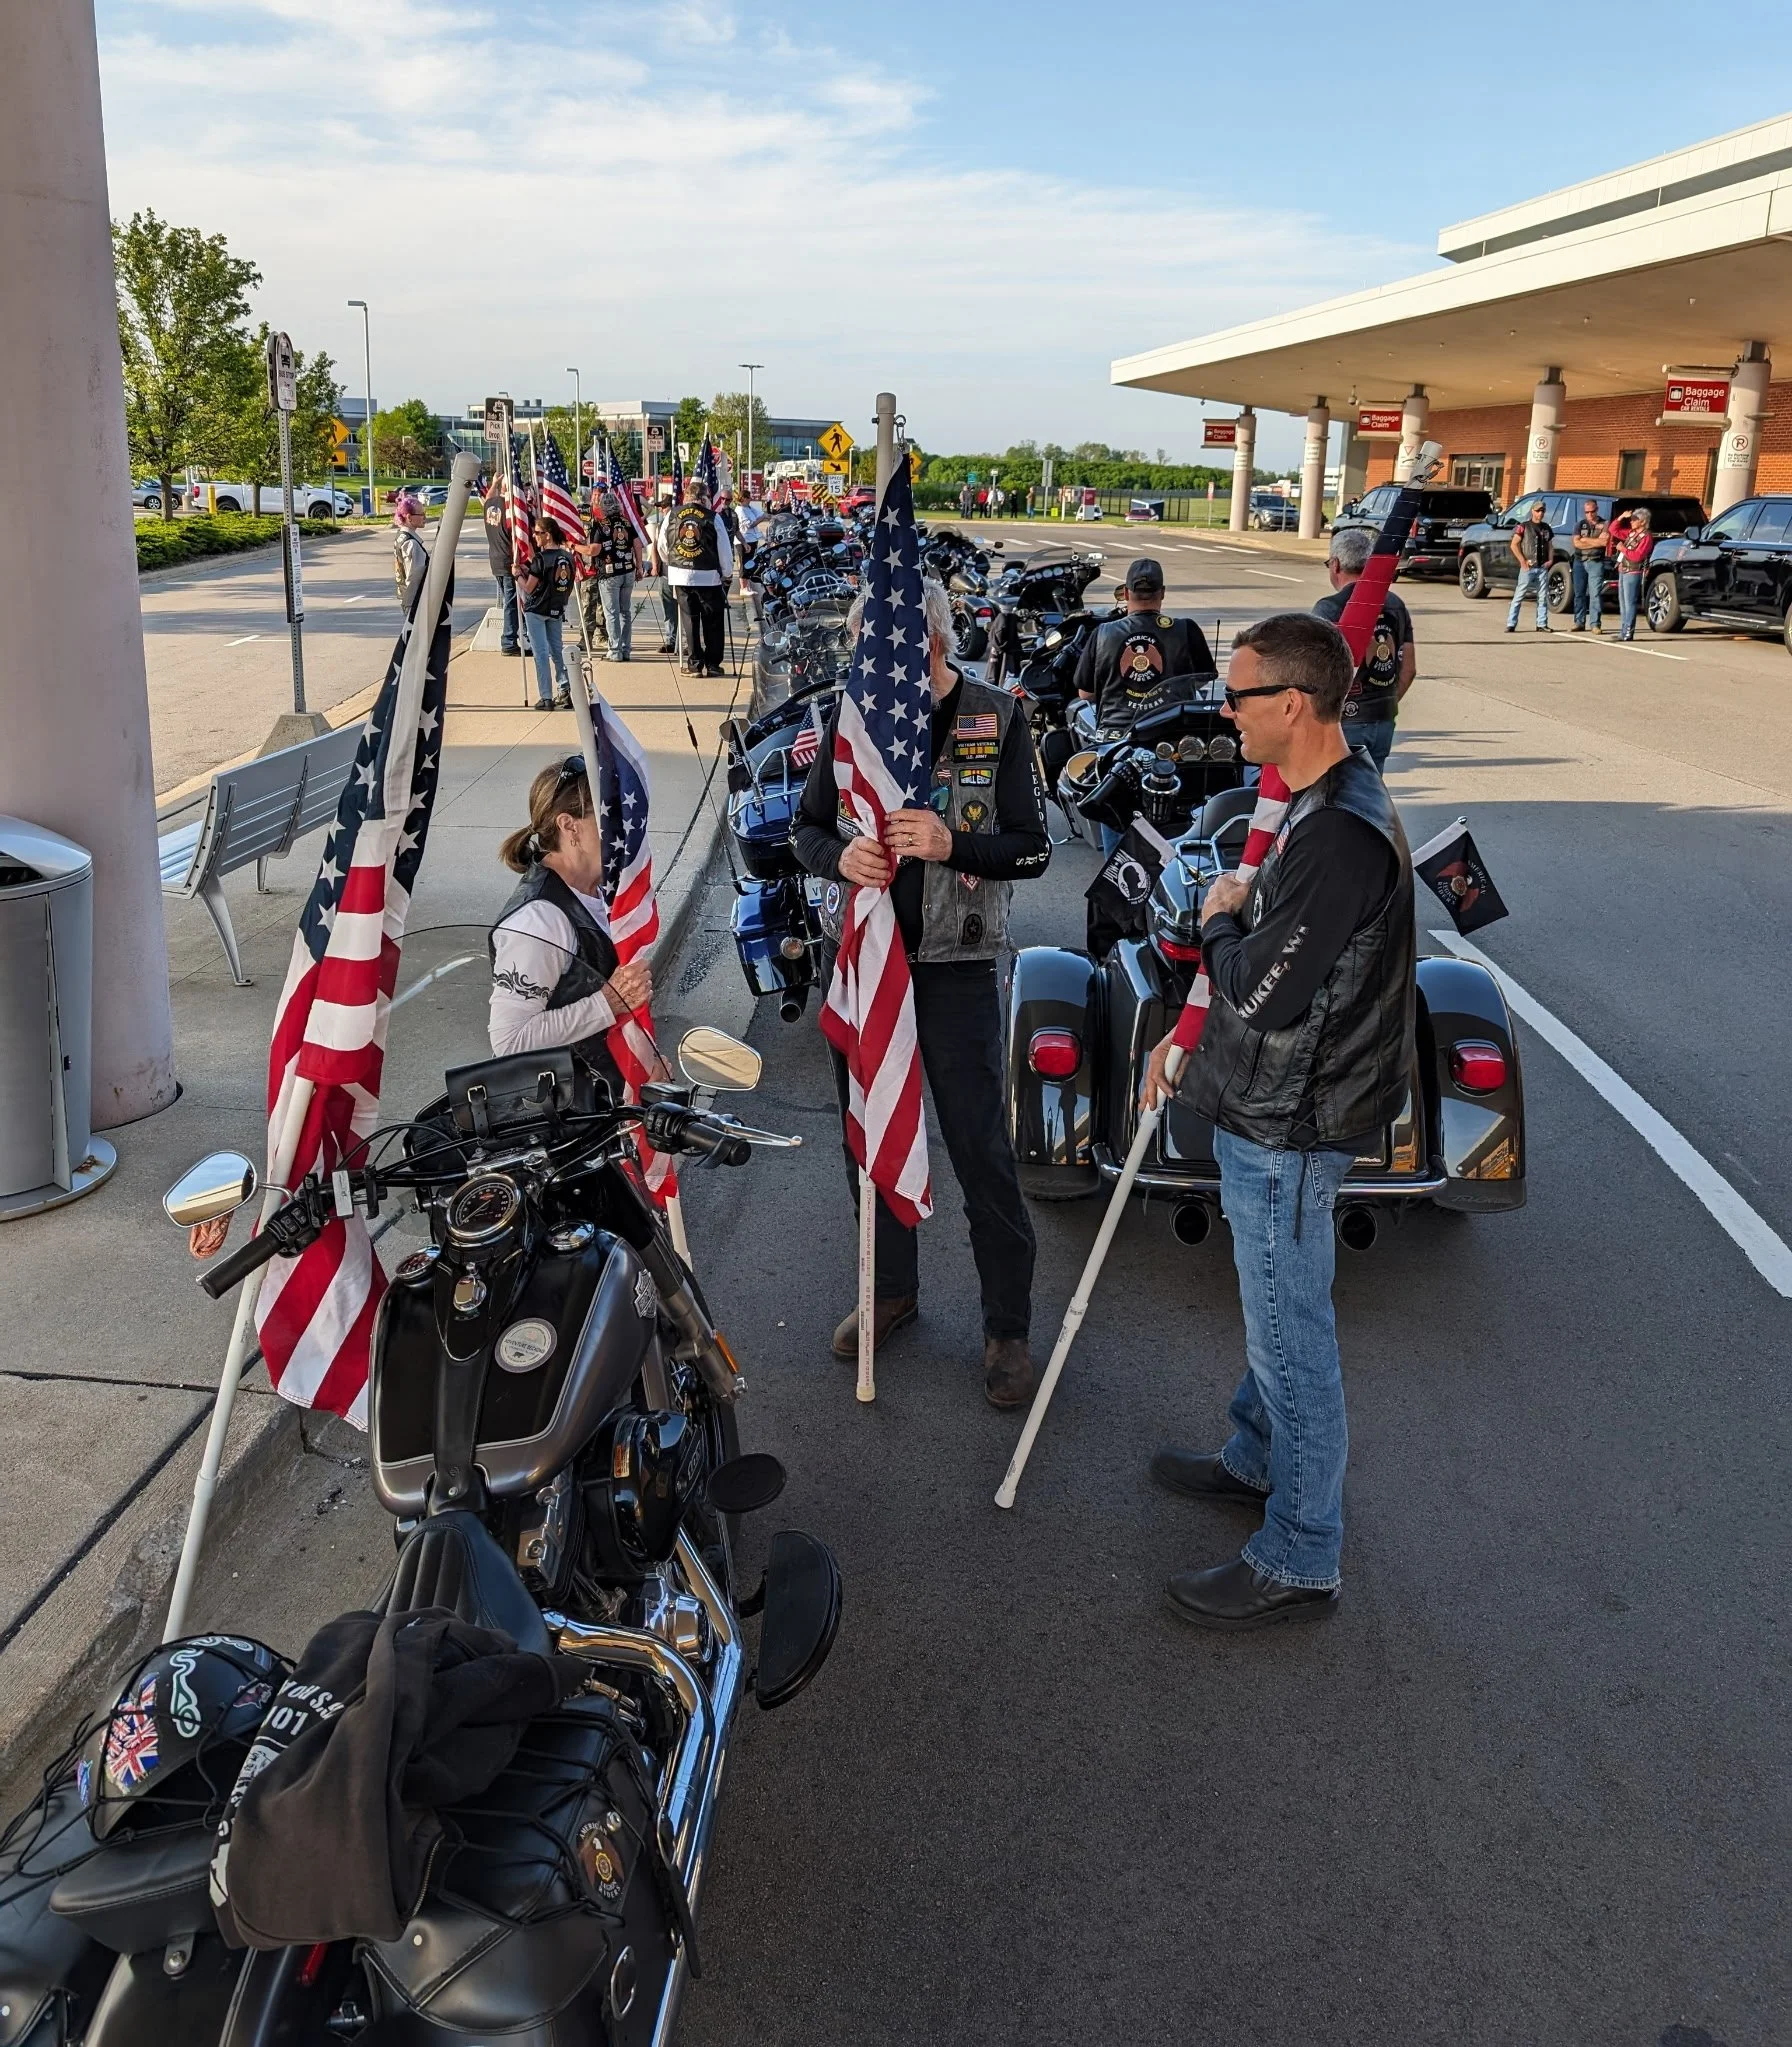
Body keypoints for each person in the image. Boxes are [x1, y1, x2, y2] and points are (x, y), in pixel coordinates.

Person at [1140, 611, 1415, 1629]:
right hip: (1280, 1104)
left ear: (1291, 704)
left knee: (1290, 1333)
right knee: (1274, 1312)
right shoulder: (1315, 803)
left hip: (1293, 1122)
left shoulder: (1339, 827)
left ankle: (1302, 1553)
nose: (1227, 709)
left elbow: (1261, 993)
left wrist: (1217, 914)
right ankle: (1257, 1458)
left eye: (1241, 694)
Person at [792, 575, 1052, 1409]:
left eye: (883, 651)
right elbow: (805, 826)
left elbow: (1033, 846)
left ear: (930, 645)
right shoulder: (848, 718)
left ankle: (1006, 1327)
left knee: (980, 1148)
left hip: (955, 969)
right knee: (870, 1138)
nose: (866, 666)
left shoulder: (998, 716)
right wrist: (838, 857)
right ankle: (890, 1291)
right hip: (868, 968)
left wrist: (954, 841)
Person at [489, 755, 652, 1100]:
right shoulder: (537, 923)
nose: (623, 826)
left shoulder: (602, 890)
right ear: (570, 826)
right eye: (609, 817)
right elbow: (510, 1040)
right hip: (576, 1123)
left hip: (615, 1099)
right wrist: (608, 1003)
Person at [1074, 556, 1216, 736]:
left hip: (1117, 736)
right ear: (1162, 593)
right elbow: (1203, 678)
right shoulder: (1186, 629)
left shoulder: (1102, 633)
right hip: (1174, 735)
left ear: (1126, 593)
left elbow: (1085, 694)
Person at [1312, 526, 1415, 771]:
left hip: (1343, 721)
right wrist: (1385, 702)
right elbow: (1409, 669)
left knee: (1336, 796)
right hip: (1383, 718)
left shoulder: (1329, 608)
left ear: (1335, 565)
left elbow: (1315, 672)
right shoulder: (1394, 604)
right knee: (1371, 794)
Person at [663, 476, 734, 678]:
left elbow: (662, 545)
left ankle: (694, 664)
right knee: (713, 621)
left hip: (681, 576)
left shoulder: (672, 515)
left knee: (690, 621)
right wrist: (727, 573)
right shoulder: (712, 517)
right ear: (703, 498)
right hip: (708, 576)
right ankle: (713, 664)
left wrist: (673, 564)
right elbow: (724, 549)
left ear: (687, 497)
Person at [518, 515, 576, 709]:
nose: (534, 537)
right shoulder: (568, 557)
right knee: (557, 650)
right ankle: (565, 690)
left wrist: (517, 575)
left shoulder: (541, 559)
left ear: (548, 535)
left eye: (537, 533)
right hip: (557, 608)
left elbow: (528, 588)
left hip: (537, 609)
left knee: (541, 653)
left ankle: (546, 696)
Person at [579, 488, 642, 662]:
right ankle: (625, 649)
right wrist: (639, 567)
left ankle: (615, 651)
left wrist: (573, 547)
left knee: (611, 613)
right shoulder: (627, 523)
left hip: (609, 574)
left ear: (602, 508)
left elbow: (594, 550)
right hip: (628, 571)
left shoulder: (600, 525)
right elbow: (637, 544)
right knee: (625, 612)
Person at [1505, 498, 1554, 632]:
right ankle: (1511, 623)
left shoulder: (1546, 527)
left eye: (1542, 511)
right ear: (1532, 511)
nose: (1540, 513)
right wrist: (1522, 560)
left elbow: (1550, 545)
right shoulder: (1524, 526)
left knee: (1543, 596)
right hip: (1529, 567)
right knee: (1519, 595)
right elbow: (1514, 544)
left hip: (1542, 566)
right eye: (1538, 510)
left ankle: (1541, 623)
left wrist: (1550, 560)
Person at [482, 479, 519, 654]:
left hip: (495, 560)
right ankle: (509, 641)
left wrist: (495, 483)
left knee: (510, 601)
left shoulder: (490, 505)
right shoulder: (510, 510)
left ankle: (516, 635)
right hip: (508, 560)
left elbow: (489, 496)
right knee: (511, 604)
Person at [1611, 506, 1653, 641]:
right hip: (1623, 570)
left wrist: (1622, 549)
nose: (1631, 521)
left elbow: (1637, 556)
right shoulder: (1631, 533)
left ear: (1642, 521)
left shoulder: (1646, 537)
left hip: (1633, 571)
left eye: (1635, 519)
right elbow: (1613, 530)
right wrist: (1621, 517)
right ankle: (1623, 631)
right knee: (1623, 603)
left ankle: (1629, 631)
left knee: (1630, 603)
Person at [648, 486, 680, 657]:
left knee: (684, 609)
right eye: (661, 507)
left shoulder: (681, 523)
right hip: (665, 572)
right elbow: (655, 545)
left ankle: (686, 642)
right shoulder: (661, 525)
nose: (662, 509)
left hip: (680, 572)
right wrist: (654, 566)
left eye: (665, 506)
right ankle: (671, 639)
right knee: (668, 608)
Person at [1569, 498, 1610, 634]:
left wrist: (1585, 540)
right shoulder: (1580, 525)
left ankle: (1595, 624)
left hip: (1596, 561)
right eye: (1587, 512)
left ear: (1596, 510)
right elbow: (1576, 543)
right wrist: (1594, 541)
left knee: (1595, 594)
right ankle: (1579, 622)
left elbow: (1604, 543)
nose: (1590, 515)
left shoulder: (1604, 524)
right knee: (1579, 594)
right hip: (1579, 561)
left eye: (1592, 511)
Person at [391, 493, 429, 612]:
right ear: (409, 517)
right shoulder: (411, 543)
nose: (424, 517)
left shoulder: (401, 536)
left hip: (407, 598)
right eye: (421, 514)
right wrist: (413, 605)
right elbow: (413, 577)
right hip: (415, 601)